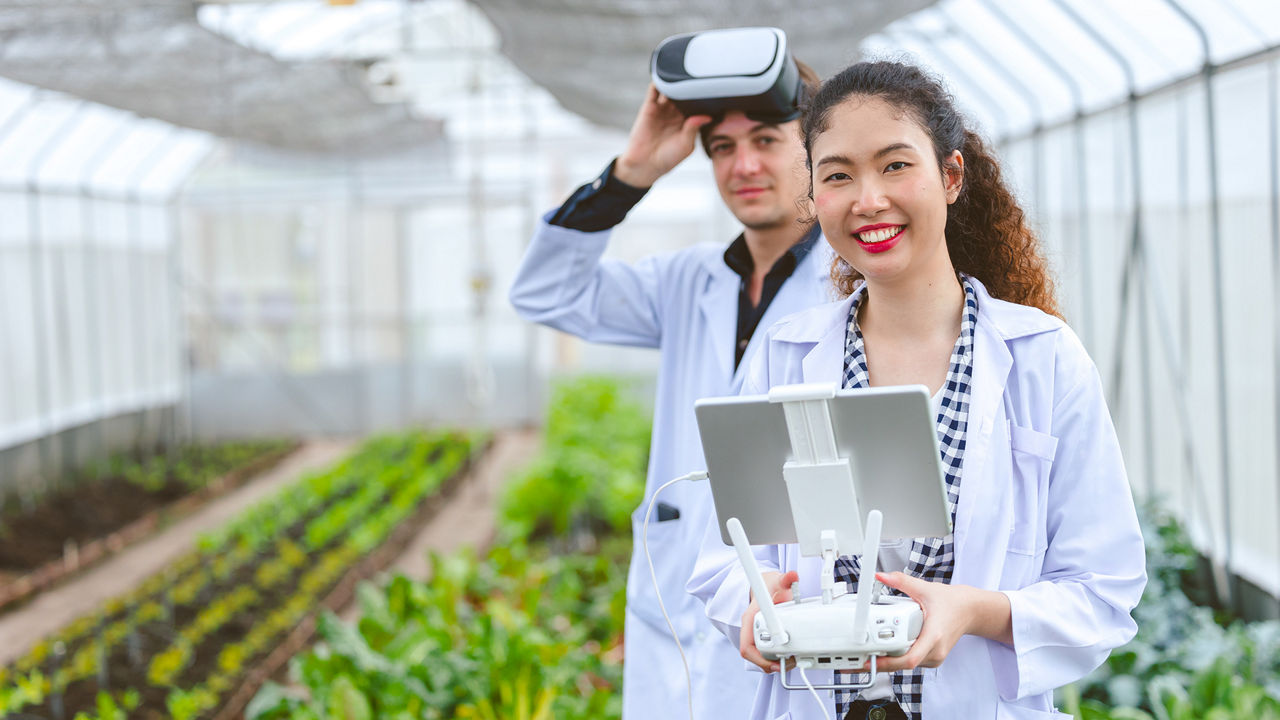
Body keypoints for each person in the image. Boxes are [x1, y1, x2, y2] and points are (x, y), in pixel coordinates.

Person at [688, 60, 1147, 720]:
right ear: (813, 197)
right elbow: (720, 555)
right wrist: (754, 595)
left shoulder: (1044, 360)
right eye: (838, 175)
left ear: (951, 177)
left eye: (895, 165)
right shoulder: (784, 355)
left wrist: (977, 611)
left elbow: (1104, 590)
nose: (867, 200)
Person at [509, 55, 831, 719]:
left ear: (817, 148)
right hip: (677, 607)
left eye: (766, 140)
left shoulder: (854, 284)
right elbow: (544, 291)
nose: (742, 166)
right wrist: (633, 171)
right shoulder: (688, 282)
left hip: (796, 610)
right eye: (722, 147)